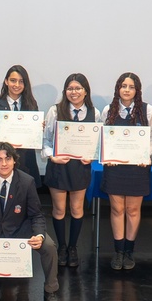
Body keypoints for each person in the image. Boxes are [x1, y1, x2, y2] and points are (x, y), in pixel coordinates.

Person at [0, 142, 60, 301]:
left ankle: (51, 290)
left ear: (14, 161)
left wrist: (39, 236)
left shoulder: (27, 181)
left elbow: (37, 215)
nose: (4, 164)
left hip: (22, 232)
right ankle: (1, 267)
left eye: (7, 159)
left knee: (49, 246)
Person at [100, 72, 152, 270]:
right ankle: (118, 252)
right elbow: (104, 137)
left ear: (137, 90)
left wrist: (146, 155)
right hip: (115, 168)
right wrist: (108, 155)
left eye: (131, 87)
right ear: (118, 88)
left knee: (133, 210)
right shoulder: (108, 109)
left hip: (138, 168)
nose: (126, 90)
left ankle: (128, 251)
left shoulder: (148, 110)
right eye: (123, 86)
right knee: (117, 209)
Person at [42, 73, 100, 268]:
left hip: (80, 167)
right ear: (65, 91)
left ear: (85, 91)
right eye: (70, 88)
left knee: (77, 209)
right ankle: (61, 247)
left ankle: (73, 248)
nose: (73, 92)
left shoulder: (95, 113)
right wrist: (52, 156)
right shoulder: (55, 111)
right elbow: (46, 140)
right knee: (59, 210)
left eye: (78, 88)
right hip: (58, 166)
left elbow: (98, 143)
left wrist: (92, 156)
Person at [0, 65, 44, 187]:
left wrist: (39, 130)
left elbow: (35, 137)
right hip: (3, 163)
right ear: (6, 81)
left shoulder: (32, 105)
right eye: (13, 80)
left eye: (21, 81)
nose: (17, 85)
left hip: (26, 161)